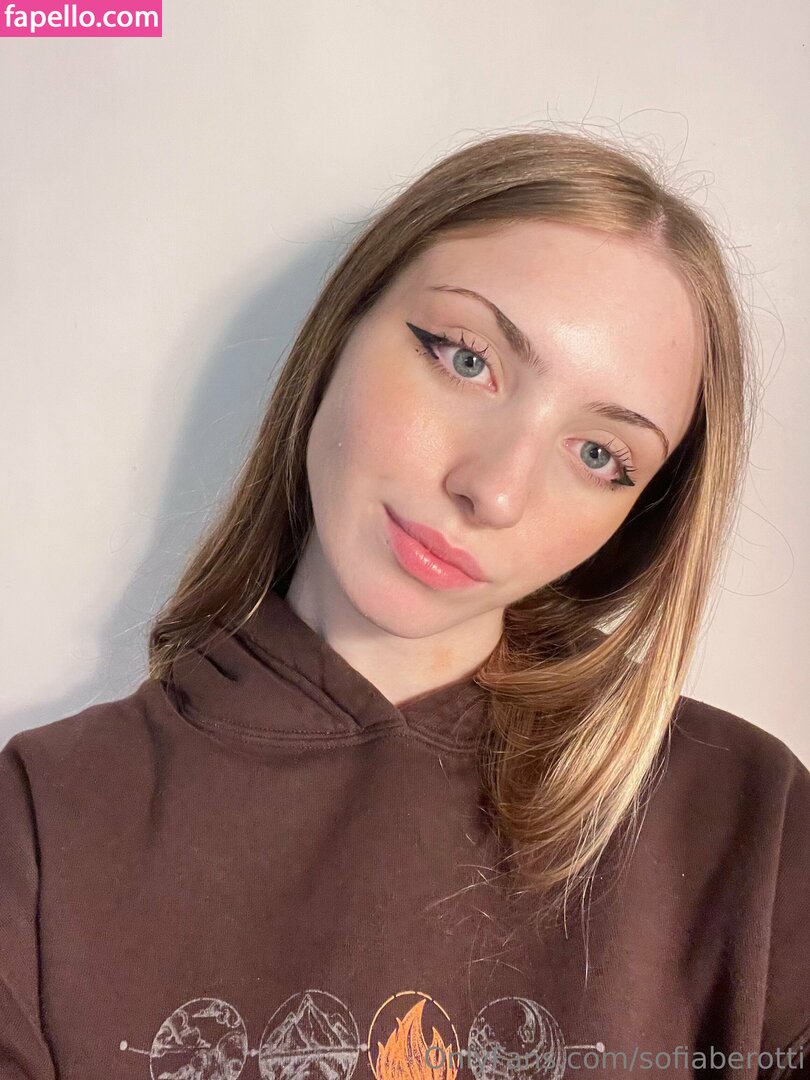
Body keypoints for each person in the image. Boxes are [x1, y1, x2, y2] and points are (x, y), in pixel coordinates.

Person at [2, 129, 808, 1080]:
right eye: (467, 359)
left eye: (600, 454)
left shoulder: (750, 825)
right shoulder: (43, 823)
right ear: (343, 326)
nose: (494, 490)